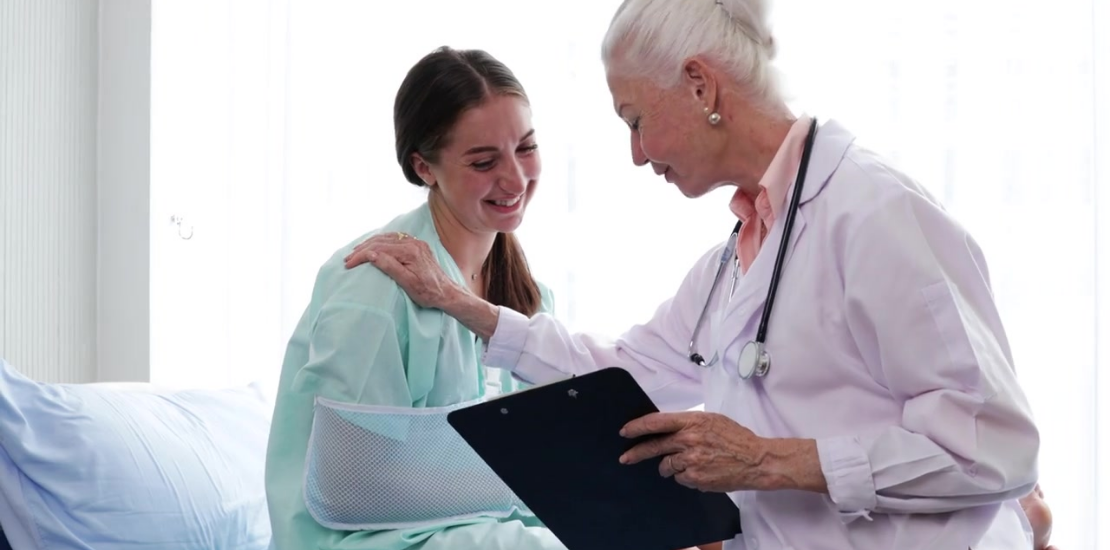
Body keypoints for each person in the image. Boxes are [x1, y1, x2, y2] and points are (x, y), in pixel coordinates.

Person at [343, 1, 1060, 549]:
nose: (635, 152)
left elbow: (994, 449)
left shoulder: (875, 216)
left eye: (635, 119)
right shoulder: (743, 248)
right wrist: (463, 305)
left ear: (698, 86)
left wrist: (767, 461)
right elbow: (625, 369)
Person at [265, 46, 572, 550]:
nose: (515, 179)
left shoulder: (527, 298)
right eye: (483, 161)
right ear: (423, 167)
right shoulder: (374, 288)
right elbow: (350, 488)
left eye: (526, 147)